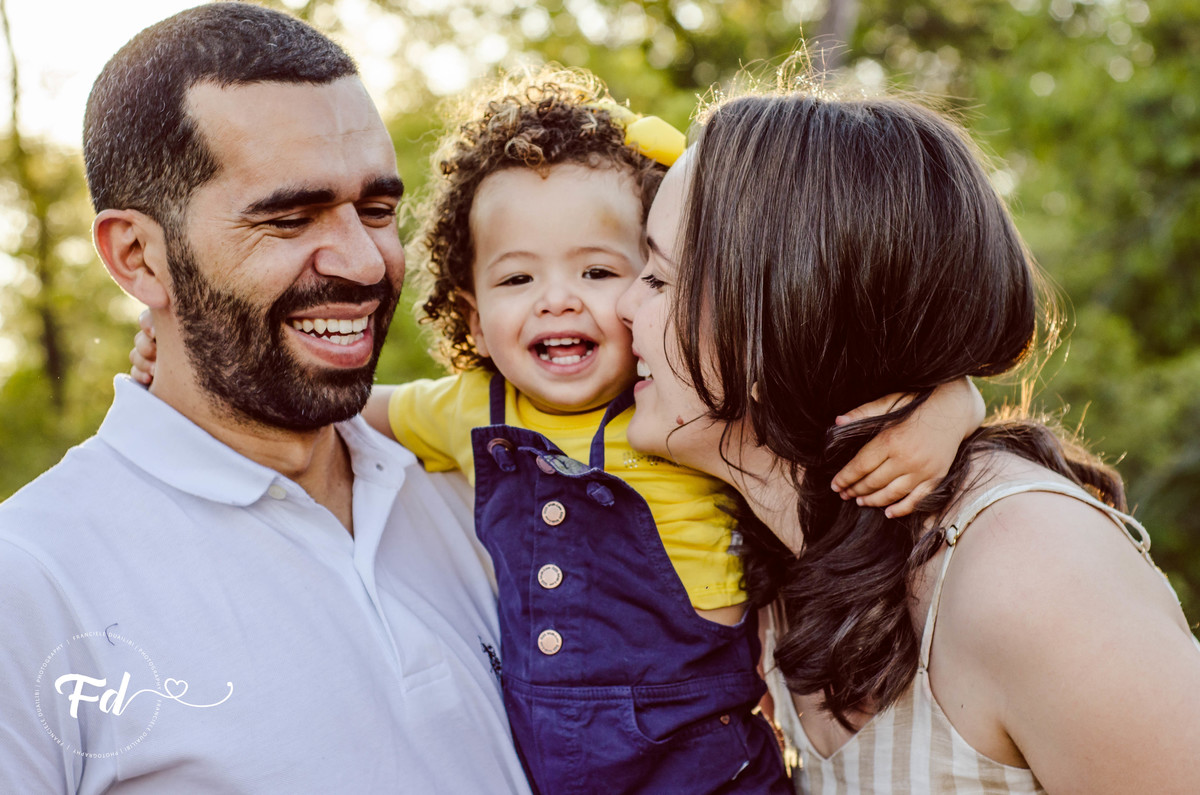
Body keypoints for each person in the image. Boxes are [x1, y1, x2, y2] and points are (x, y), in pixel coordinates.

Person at [128, 68, 982, 793]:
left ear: (662, 279)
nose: (557, 298)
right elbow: (333, 400)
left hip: (708, 766)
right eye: (517, 277)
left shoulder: (689, 414)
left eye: (600, 270)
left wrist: (952, 404)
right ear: (470, 308)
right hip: (547, 769)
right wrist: (185, 355)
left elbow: (841, 396)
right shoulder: (470, 410)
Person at [0, 4, 531, 791]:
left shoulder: (479, 490)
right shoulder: (31, 579)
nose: (363, 260)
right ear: (140, 258)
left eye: (378, 210)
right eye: (289, 218)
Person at [617, 87, 1200, 793]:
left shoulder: (1027, 571)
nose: (619, 306)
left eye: (655, 276)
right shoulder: (758, 549)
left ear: (779, 326)